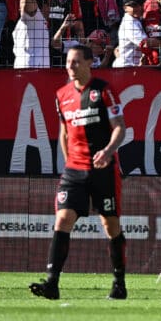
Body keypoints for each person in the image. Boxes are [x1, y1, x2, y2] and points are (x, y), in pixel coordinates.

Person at [29, 45, 128, 301]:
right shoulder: (61, 94)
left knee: (111, 225)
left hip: (103, 170)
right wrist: (69, 161)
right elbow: (63, 132)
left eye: (75, 62)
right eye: (68, 62)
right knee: (62, 220)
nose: (70, 67)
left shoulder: (103, 90)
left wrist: (107, 151)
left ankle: (119, 283)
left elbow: (119, 127)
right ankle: (52, 283)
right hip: (74, 170)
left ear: (88, 63)